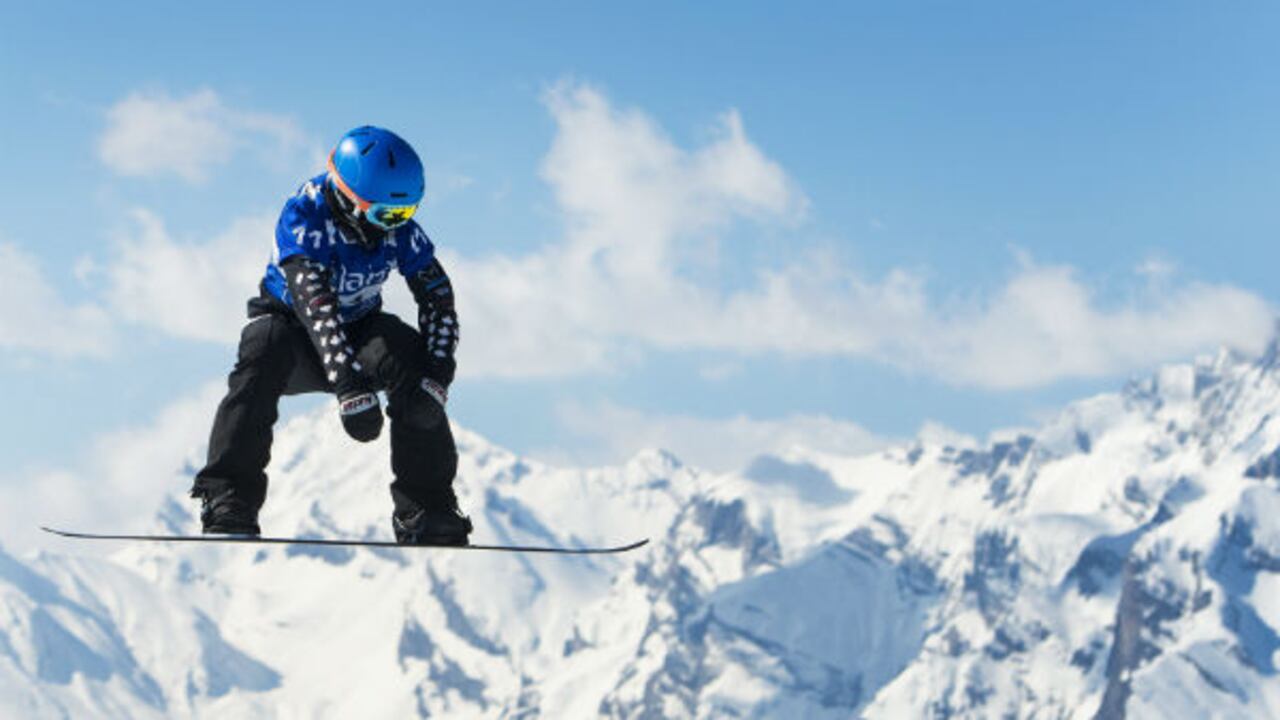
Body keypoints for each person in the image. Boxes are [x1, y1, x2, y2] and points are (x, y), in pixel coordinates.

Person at [188, 126, 471, 546]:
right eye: (385, 215)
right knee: (260, 353)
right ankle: (228, 497)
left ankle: (427, 508)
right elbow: (315, 304)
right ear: (348, 198)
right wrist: (349, 386)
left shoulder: (399, 230)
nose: (393, 226)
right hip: (293, 331)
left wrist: (436, 379)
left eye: (406, 214)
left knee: (410, 361)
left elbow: (437, 298)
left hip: (359, 330)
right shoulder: (304, 214)